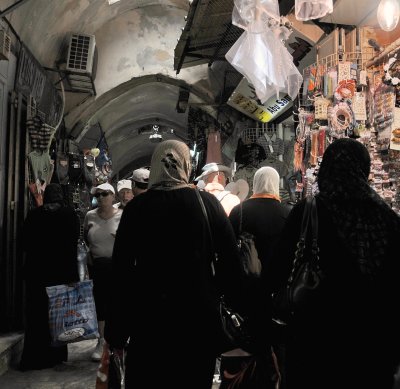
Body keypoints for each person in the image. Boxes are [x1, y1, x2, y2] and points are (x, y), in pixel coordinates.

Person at [105, 140, 245, 389]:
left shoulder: (137, 209)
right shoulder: (206, 204)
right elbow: (231, 266)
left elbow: (121, 274)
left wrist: (116, 331)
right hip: (196, 322)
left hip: (149, 322)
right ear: (186, 165)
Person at [270, 138, 400, 389]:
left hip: (315, 346)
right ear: (364, 169)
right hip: (372, 351)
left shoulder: (308, 213)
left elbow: (276, 272)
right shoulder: (388, 220)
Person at [227, 167, 290, 387]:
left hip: (247, 292)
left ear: (255, 182)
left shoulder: (240, 211)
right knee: (275, 347)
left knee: (249, 345)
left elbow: (228, 254)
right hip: (277, 295)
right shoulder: (287, 213)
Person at [19, 184, 80, 371]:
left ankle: (34, 357)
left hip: (36, 274)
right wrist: (73, 276)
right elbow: (72, 247)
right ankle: (56, 356)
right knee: (58, 317)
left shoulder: (34, 215)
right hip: (60, 274)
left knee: (36, 316)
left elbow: (24, 243)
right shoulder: (69, 215)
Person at [84, 182, 123, 362]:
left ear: (113, 196)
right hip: (98, 266)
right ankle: (102, 340)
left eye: (104, 194)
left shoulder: (122, 216)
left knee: (117, 303)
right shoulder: (90, 216)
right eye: (97, 195)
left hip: (117, 266)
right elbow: (85, 238)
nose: (100, 198)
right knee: (100, 304)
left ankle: (117, 340)